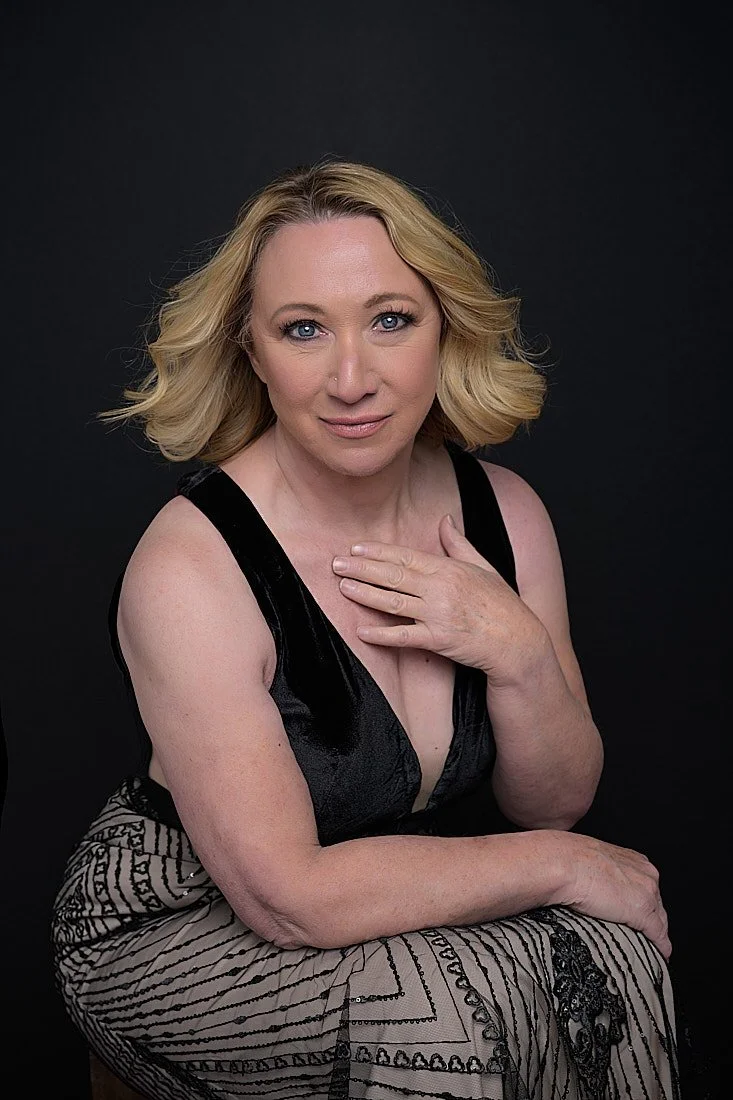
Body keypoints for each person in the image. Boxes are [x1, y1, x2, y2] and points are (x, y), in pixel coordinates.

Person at [51, 159, 679, 1100]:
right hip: (172, 921)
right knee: (434, 1011)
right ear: (253, 354)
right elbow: (289, 897)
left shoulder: (504, 513)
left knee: (615, 955)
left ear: (443, 330)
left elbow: (552, 800)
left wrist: (516, 652)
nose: (352, 378)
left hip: (386, 905)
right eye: (303, 330)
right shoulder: (191, 566)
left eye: (391, 319)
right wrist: (563, 867)